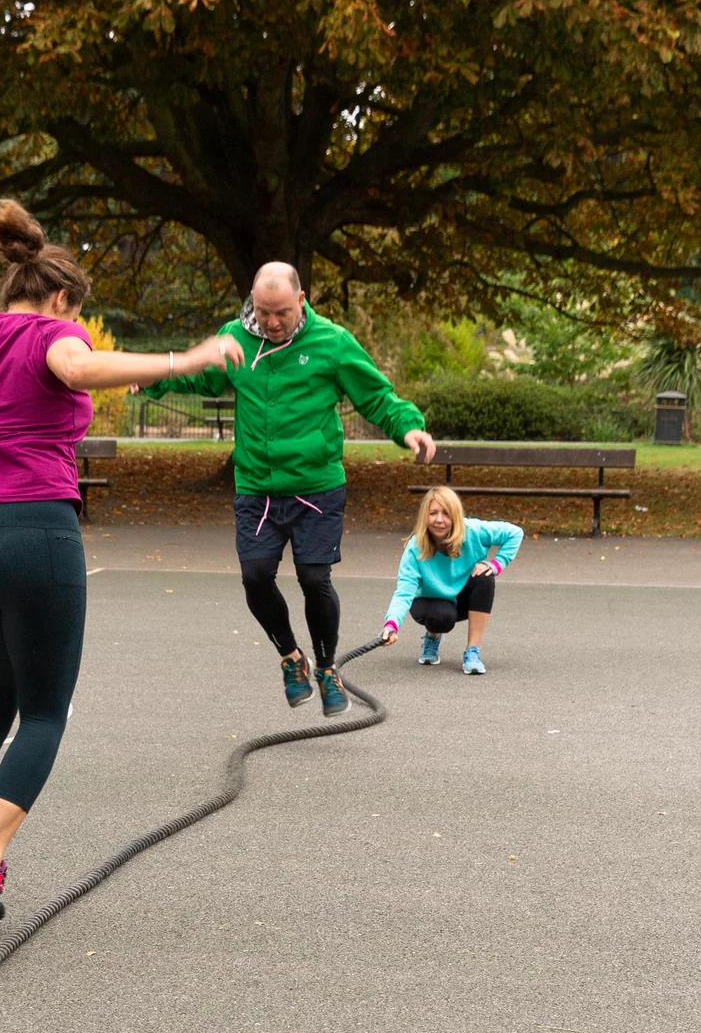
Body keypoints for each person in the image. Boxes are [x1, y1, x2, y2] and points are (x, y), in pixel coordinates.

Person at [0, 199, 243, 921]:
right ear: (61, 297)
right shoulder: (54, 335)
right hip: (33, 532)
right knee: (43, 711)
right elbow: (72, 362)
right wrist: (183, 360)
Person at [143, 262, 435, 715]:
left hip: (316, 488)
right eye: (262, 312)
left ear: (301, 301)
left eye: (280, 312)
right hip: (256, 488)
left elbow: (376, 397)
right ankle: (291, 658)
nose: (272, 322)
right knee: (255, 577)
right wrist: (153, 377)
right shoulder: (233, 339)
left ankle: (325, 667)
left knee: (314, 580)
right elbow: (198, 376)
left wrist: (408, 428)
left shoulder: (332, 343)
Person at [379, 486, 523, 674]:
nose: (439, 520)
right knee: (441, 618)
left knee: (485, 577)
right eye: (433, 513)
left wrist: (497, 564)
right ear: (425, 517)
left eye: (446, 514)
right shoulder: (416, 547)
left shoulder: (473, 531)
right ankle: (432, 637)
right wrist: (391, 625)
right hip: (428, 600)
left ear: (455, 516)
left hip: (461, 595)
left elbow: (515, 533)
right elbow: (404, 591)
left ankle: (472, 651)